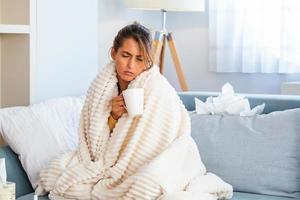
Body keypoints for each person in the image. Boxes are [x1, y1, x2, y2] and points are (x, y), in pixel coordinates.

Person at [36, 22, 232, 200]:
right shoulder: (100, 88)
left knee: (147, 183)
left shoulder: (156, 88)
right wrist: (113, 116)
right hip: (111, 160)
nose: (131, 65)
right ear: (113, 53)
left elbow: (164, 136)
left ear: (147, 61)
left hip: (168, 155)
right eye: (125, 56)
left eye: (139, 59)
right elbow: (95, 145)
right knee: (55, 170)